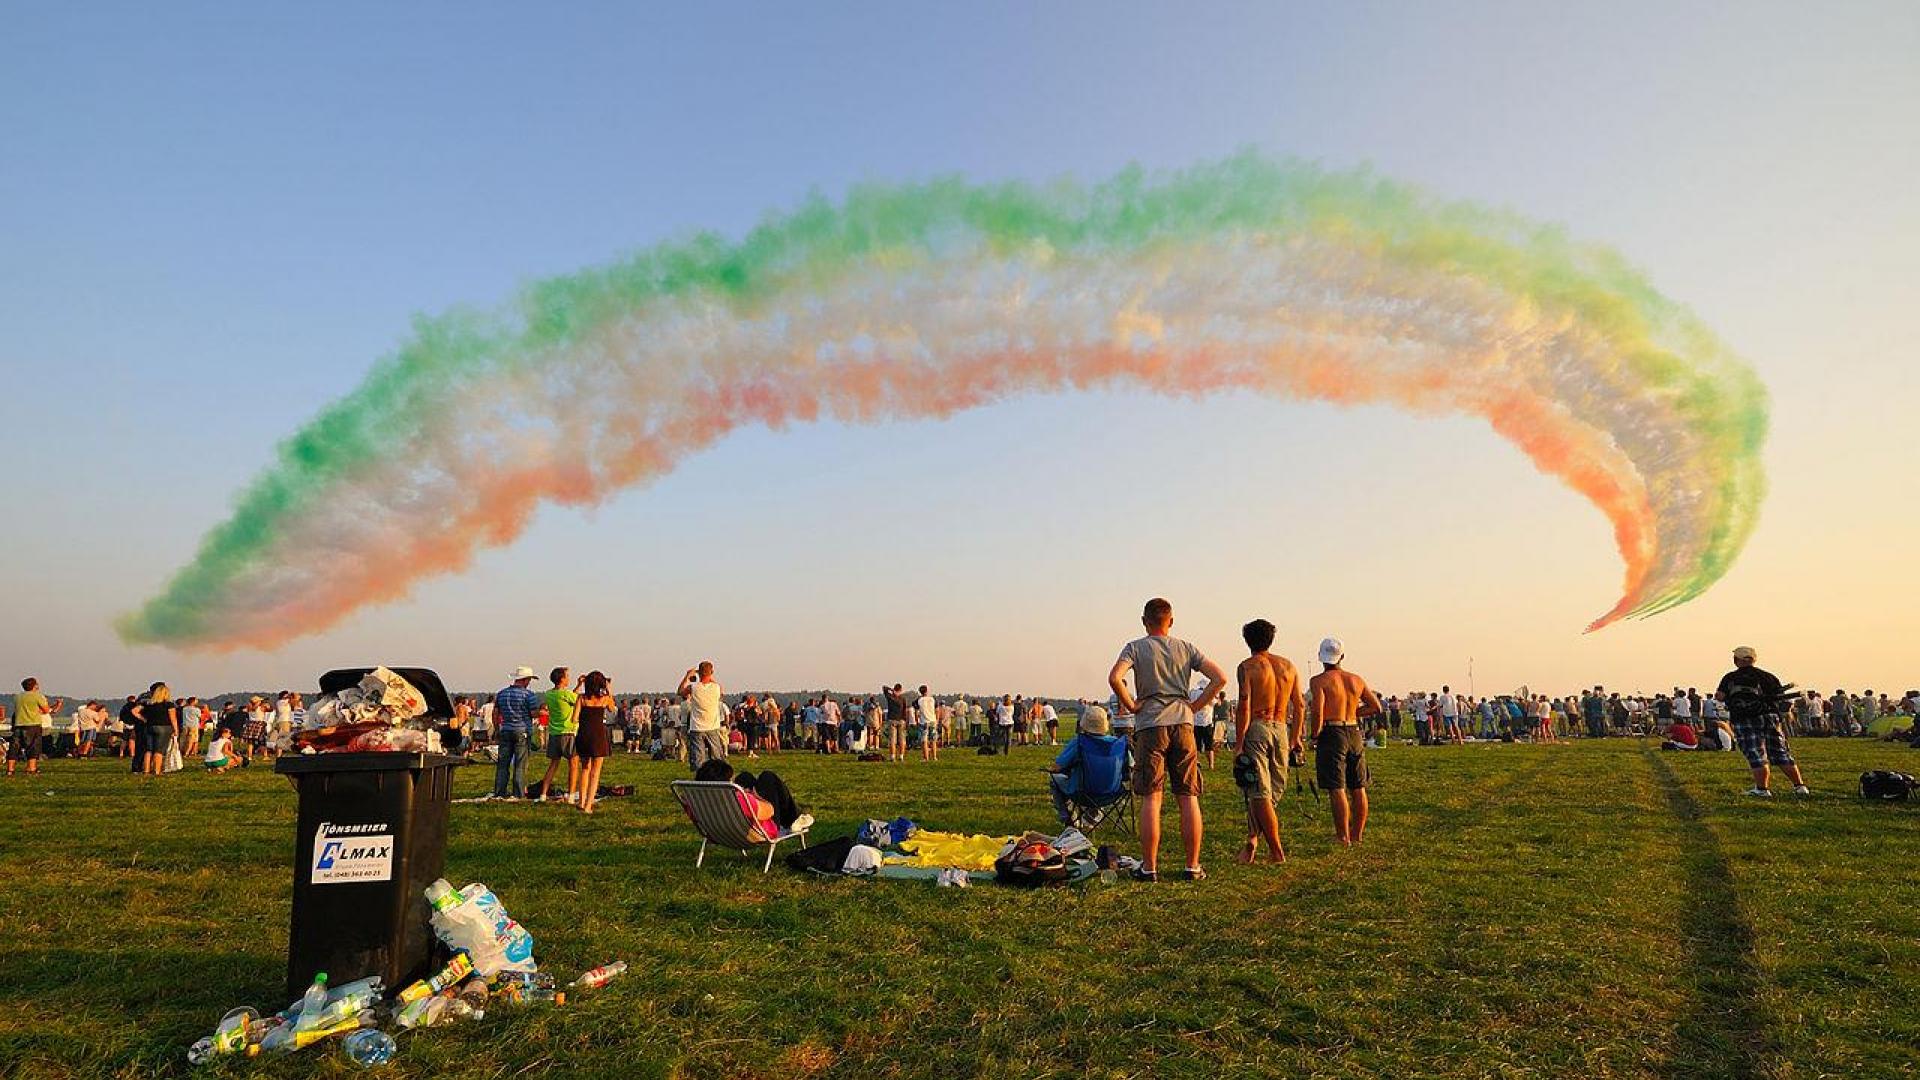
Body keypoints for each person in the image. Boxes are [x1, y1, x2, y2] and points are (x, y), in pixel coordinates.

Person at [1108, 597, 1226, 882]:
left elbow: (1115, 677)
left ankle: (1149, 868)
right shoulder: (1186, 648)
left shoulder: (1135, 647)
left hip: (1150, 724)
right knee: (1188, 797)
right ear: (1170, 621)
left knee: (1152, 797)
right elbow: (1219, 677)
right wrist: (1195, 707)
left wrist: (1133, 704)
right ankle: (1192, 866)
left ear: (1144, 621)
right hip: (1183, 723)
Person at [1234, 619, 1304, 865]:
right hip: (1282, 728)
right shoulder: (1288, 666)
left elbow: (1244, 704)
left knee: (1260, 792)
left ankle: (1276, 851)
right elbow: (1300, 705)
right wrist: (1296, 737)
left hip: (1258, 726)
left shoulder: (1247, 667)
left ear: (1247, 641)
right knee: (1270, 791)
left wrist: (1239, 742)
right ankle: (1252, 840)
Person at [1309, 638, 1381, 847]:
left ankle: (1342, 836)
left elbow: (1318, 710)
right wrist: (1354, 713)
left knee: (1336, 786)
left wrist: (1314, 735)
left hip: (1333, 733)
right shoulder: (1356, 679)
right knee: (1358, 786)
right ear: (1342, 656)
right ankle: (1357, 833)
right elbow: (1375, 706)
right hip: (1353, 731)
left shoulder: (1319, 681)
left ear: (1321, 657)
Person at [1717, 646, 1809, 797]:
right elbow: (1778, 696)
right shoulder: (1768, 676)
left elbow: (1720, 696)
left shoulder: (1730, 677)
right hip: (1771, 716)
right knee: (1781, 752)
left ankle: (1762, 789)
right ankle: (1800, 786)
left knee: (1756, 752)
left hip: (1746, 718)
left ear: (1737, 660)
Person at [1044, 705, 1129, 827]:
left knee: (1055, 780)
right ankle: (1092, 818)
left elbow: (1058, 767)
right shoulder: (1118, 743)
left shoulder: (1080, 742)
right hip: (1112, 792)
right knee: (1099, 778)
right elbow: (1129, 768)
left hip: (1083, 792)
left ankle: (1069, 819)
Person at [491, 667, 541, 799]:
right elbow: (533, 713)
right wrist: (541, 712)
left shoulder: (502, 693)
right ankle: (518, 793)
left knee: (503, 764)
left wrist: (497, 729)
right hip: (522, 731)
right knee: (520, 764)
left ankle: (499, 792)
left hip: (505, 729)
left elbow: (495, 713)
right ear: (525, 680)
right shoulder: (529, 695)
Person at [537, 668, 581, 803]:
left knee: (553, 765)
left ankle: (543, 794)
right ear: (562, 679)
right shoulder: (566, 694)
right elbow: (578, 700)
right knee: (573, 764)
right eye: (567, 676)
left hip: (554, 733)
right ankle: (571, 795)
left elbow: (570, 697)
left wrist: (578, 686)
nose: (569, 678)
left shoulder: (549, 694)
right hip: (568, 732)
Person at [573, 671, 614, 814]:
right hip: (598, 736)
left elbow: (574, 718)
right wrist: (609, 689)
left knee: (585, 769)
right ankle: (589, 805)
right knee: (595, 773)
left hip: (584, 735)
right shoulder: (605, 698)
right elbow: (612, 708)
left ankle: (581, 801)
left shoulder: (581, 698)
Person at [679, 661, 728, 773]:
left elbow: (680, 691)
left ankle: (699, 778)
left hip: (697, 727)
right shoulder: (717, 687)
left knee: (697, 757)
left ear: (699, 673)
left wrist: (687, 676)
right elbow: (721, 691)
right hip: (713, 726)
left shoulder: (693, 687)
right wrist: (709, 675)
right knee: (716, 756)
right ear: (711, 672)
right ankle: (719, 776)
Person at [9, 678, 62, 777]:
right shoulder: (38, 696)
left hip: (19, 724)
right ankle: (31, 768)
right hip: (33, 724)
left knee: (14, 747)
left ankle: (10, 769)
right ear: (34, 686)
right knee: (33, 747)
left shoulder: (17, 697)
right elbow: (46, 710)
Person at [133, 682, 180, 777]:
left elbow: (134, 711)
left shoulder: (148, 703)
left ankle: (146, 771)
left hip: (149, 727)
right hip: (164, 727)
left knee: (149, 749)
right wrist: (176, 730)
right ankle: (157, 771)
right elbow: (173, 718)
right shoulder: (169, 704)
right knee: (159, 750)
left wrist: (143, 719)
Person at [915, 685, 939, 762]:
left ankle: (926, 758)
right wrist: (937, 720)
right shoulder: (933, 699)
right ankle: (934, 757)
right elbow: (937, 710)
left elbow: (916, 712)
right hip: (932, 721)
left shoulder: (918, 700)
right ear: (927, 691)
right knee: (933, 740)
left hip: (923, 722)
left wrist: (917, 721)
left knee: (924, 741)